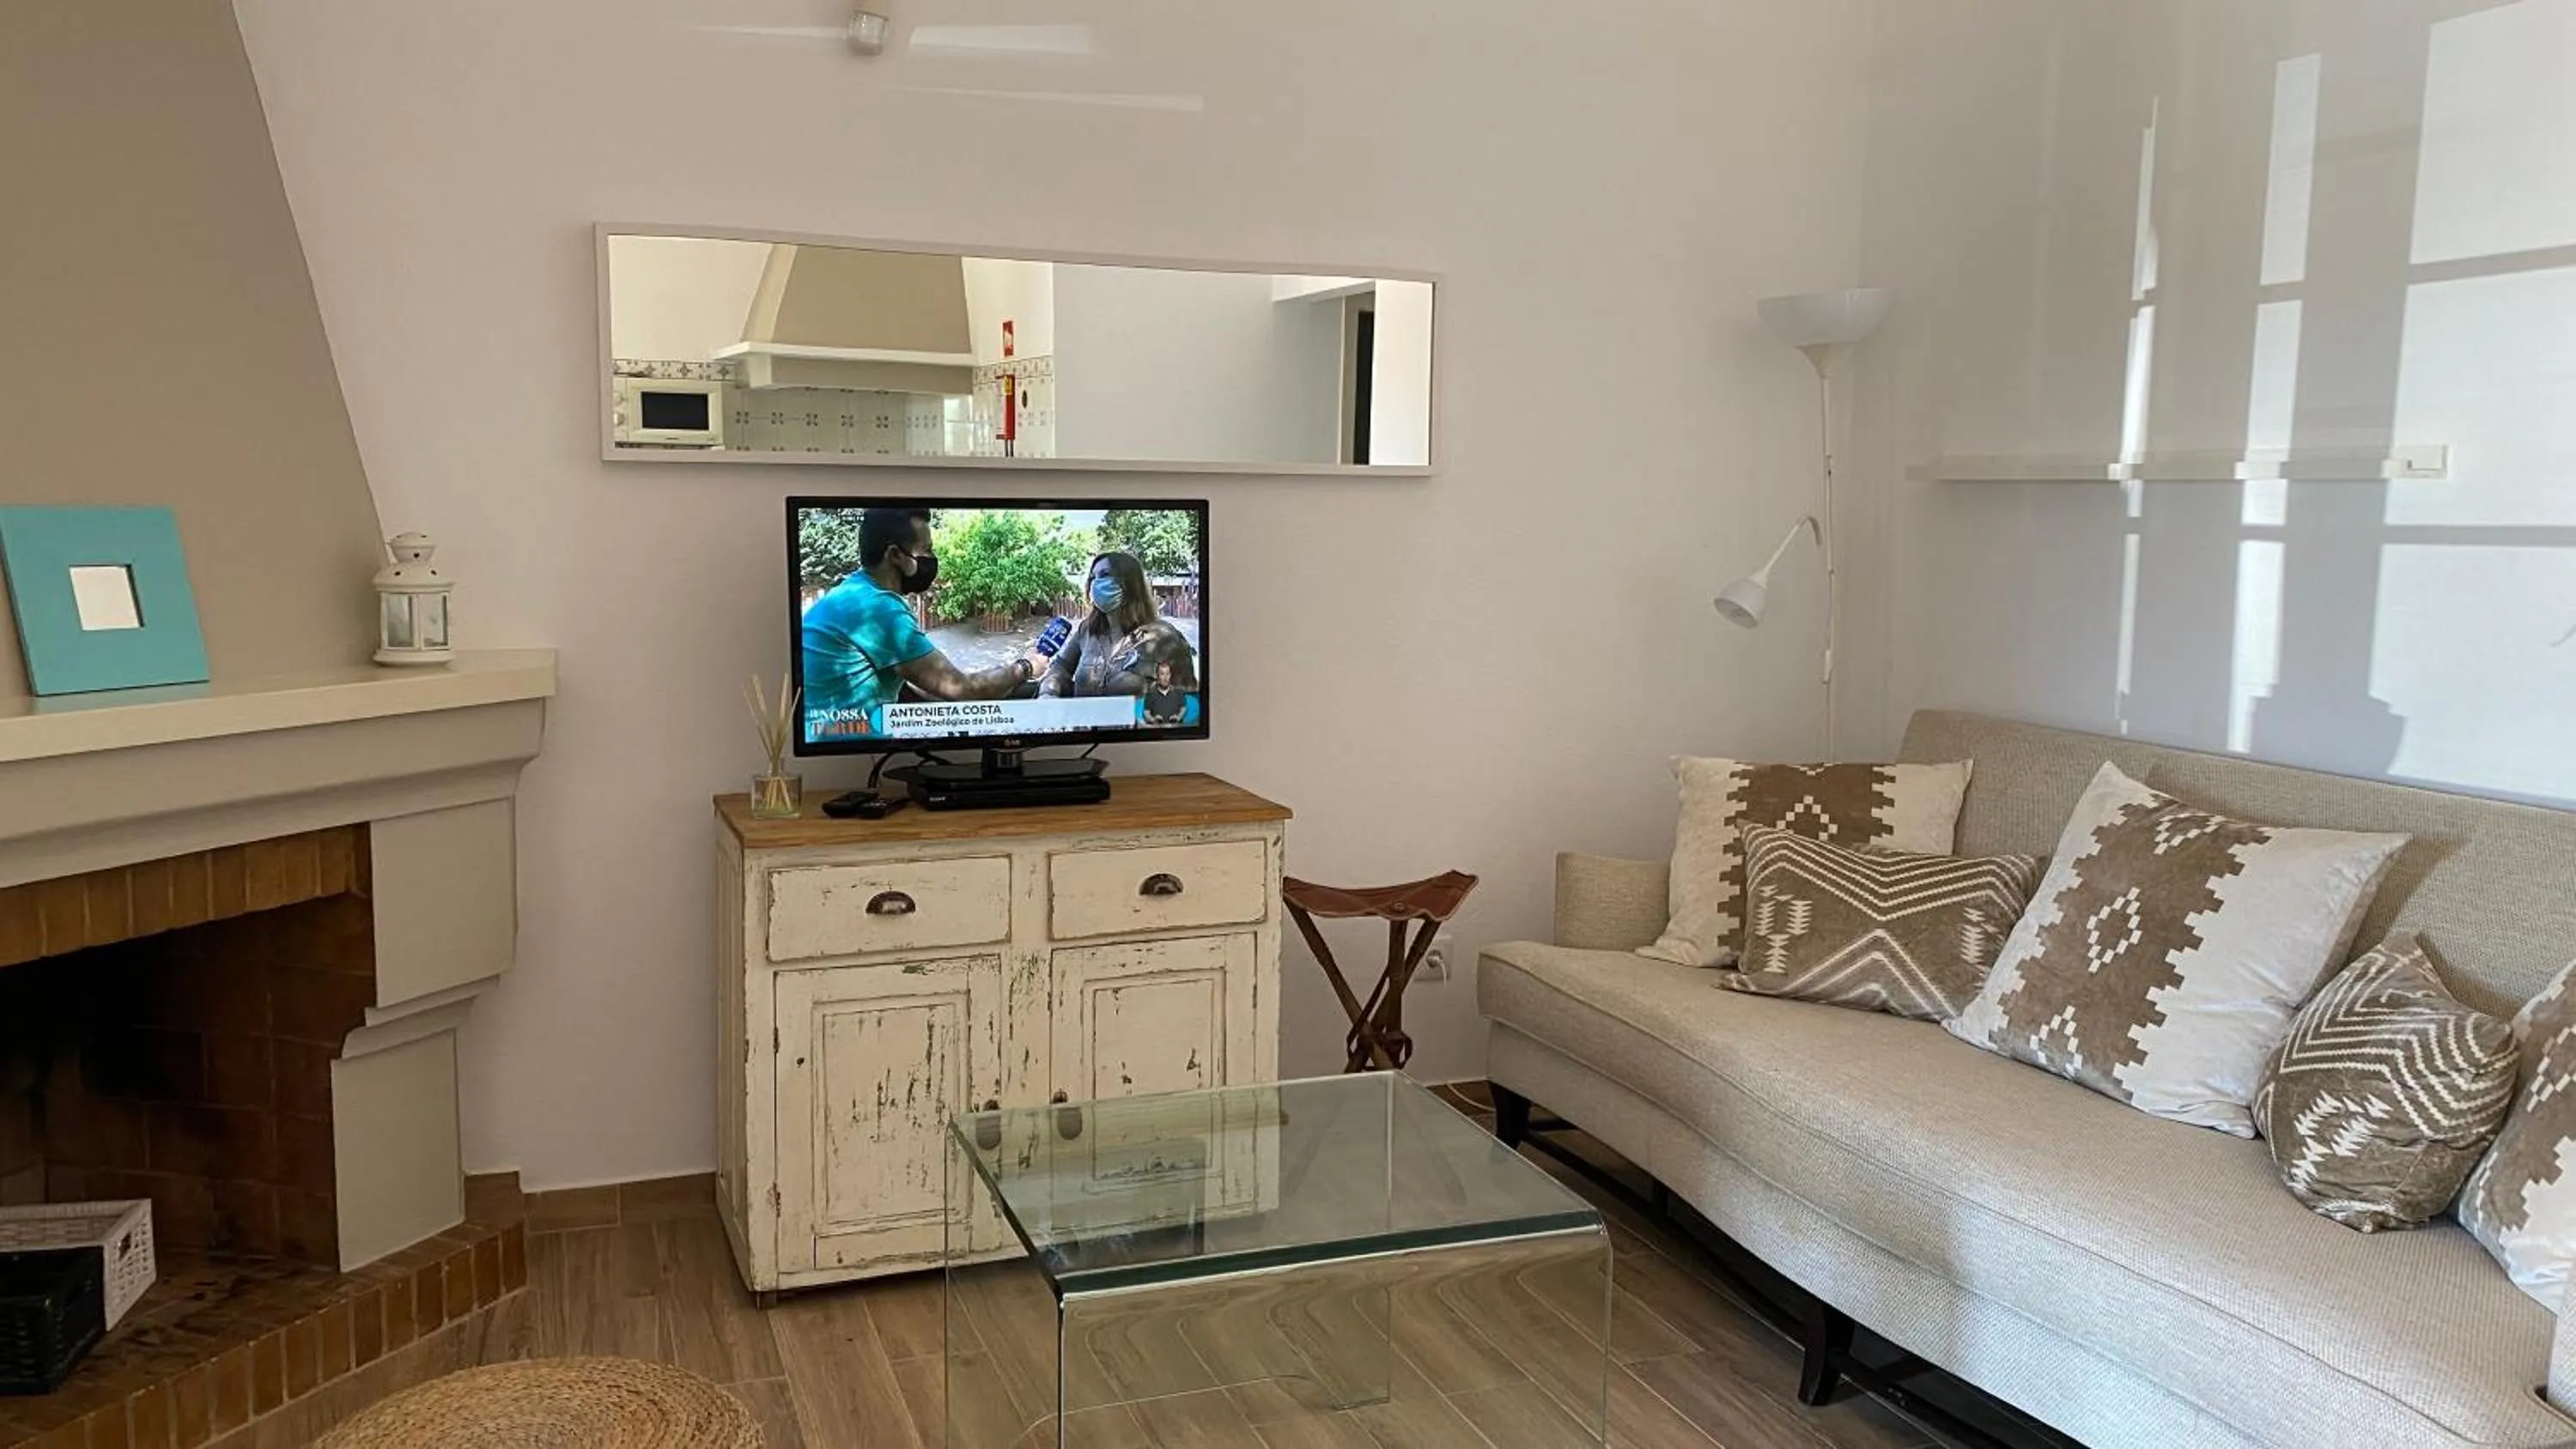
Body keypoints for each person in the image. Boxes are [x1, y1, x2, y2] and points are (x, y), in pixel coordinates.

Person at [801, 507, 1042, 720]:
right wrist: (1027, 666)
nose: (932, 560)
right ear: (895, 555)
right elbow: (964, 690)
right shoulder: (878, 609)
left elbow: (916, 684)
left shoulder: (852, 593)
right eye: (926, 550)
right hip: (850, 746)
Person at [1042, 552, 1199, 700]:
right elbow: (1061, 668)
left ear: (1130, 584)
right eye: (1093, 578)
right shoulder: (1087, 630)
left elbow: (1188, 699)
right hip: (1084, 719)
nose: (1096, 583)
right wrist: (1048, 693)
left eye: (1105, 575)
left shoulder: (1165, 638)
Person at [1141, 660, 1190, 726]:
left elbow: (1183, 708)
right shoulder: (1150, 694)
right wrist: (1153, 719)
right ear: (1158, 676)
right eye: (1162, 674)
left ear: (1170, 675)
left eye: (1167, 674)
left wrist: (1178, 717)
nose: (1165, 678)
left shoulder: (1179, 692)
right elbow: (1146, 712)